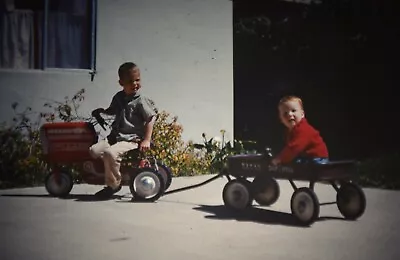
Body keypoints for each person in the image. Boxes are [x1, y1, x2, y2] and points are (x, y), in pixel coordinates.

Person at [89, 62, 157, 198]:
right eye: (130, 81)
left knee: (109, 154)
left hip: (131, 138)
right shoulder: (118, 98)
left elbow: (151, 117)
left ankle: (113, 185)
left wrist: (147, 139)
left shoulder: (140, 100)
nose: (135, 84)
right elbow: (113, 111)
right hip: (115, 137)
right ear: (121, 82)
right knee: (93, 151)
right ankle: (116, 171)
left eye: (137, 80)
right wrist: (102, 112)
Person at [270, 95, 329, 166]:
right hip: (308, 158)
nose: (290, 114)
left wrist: (279, 159)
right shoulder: (290, 131)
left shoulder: (304, 129)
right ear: (281, 119)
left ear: (302, 114)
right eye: (285, 113)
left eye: (293, 110)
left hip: (317, 160)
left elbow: (294, 147)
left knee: (292, 165)